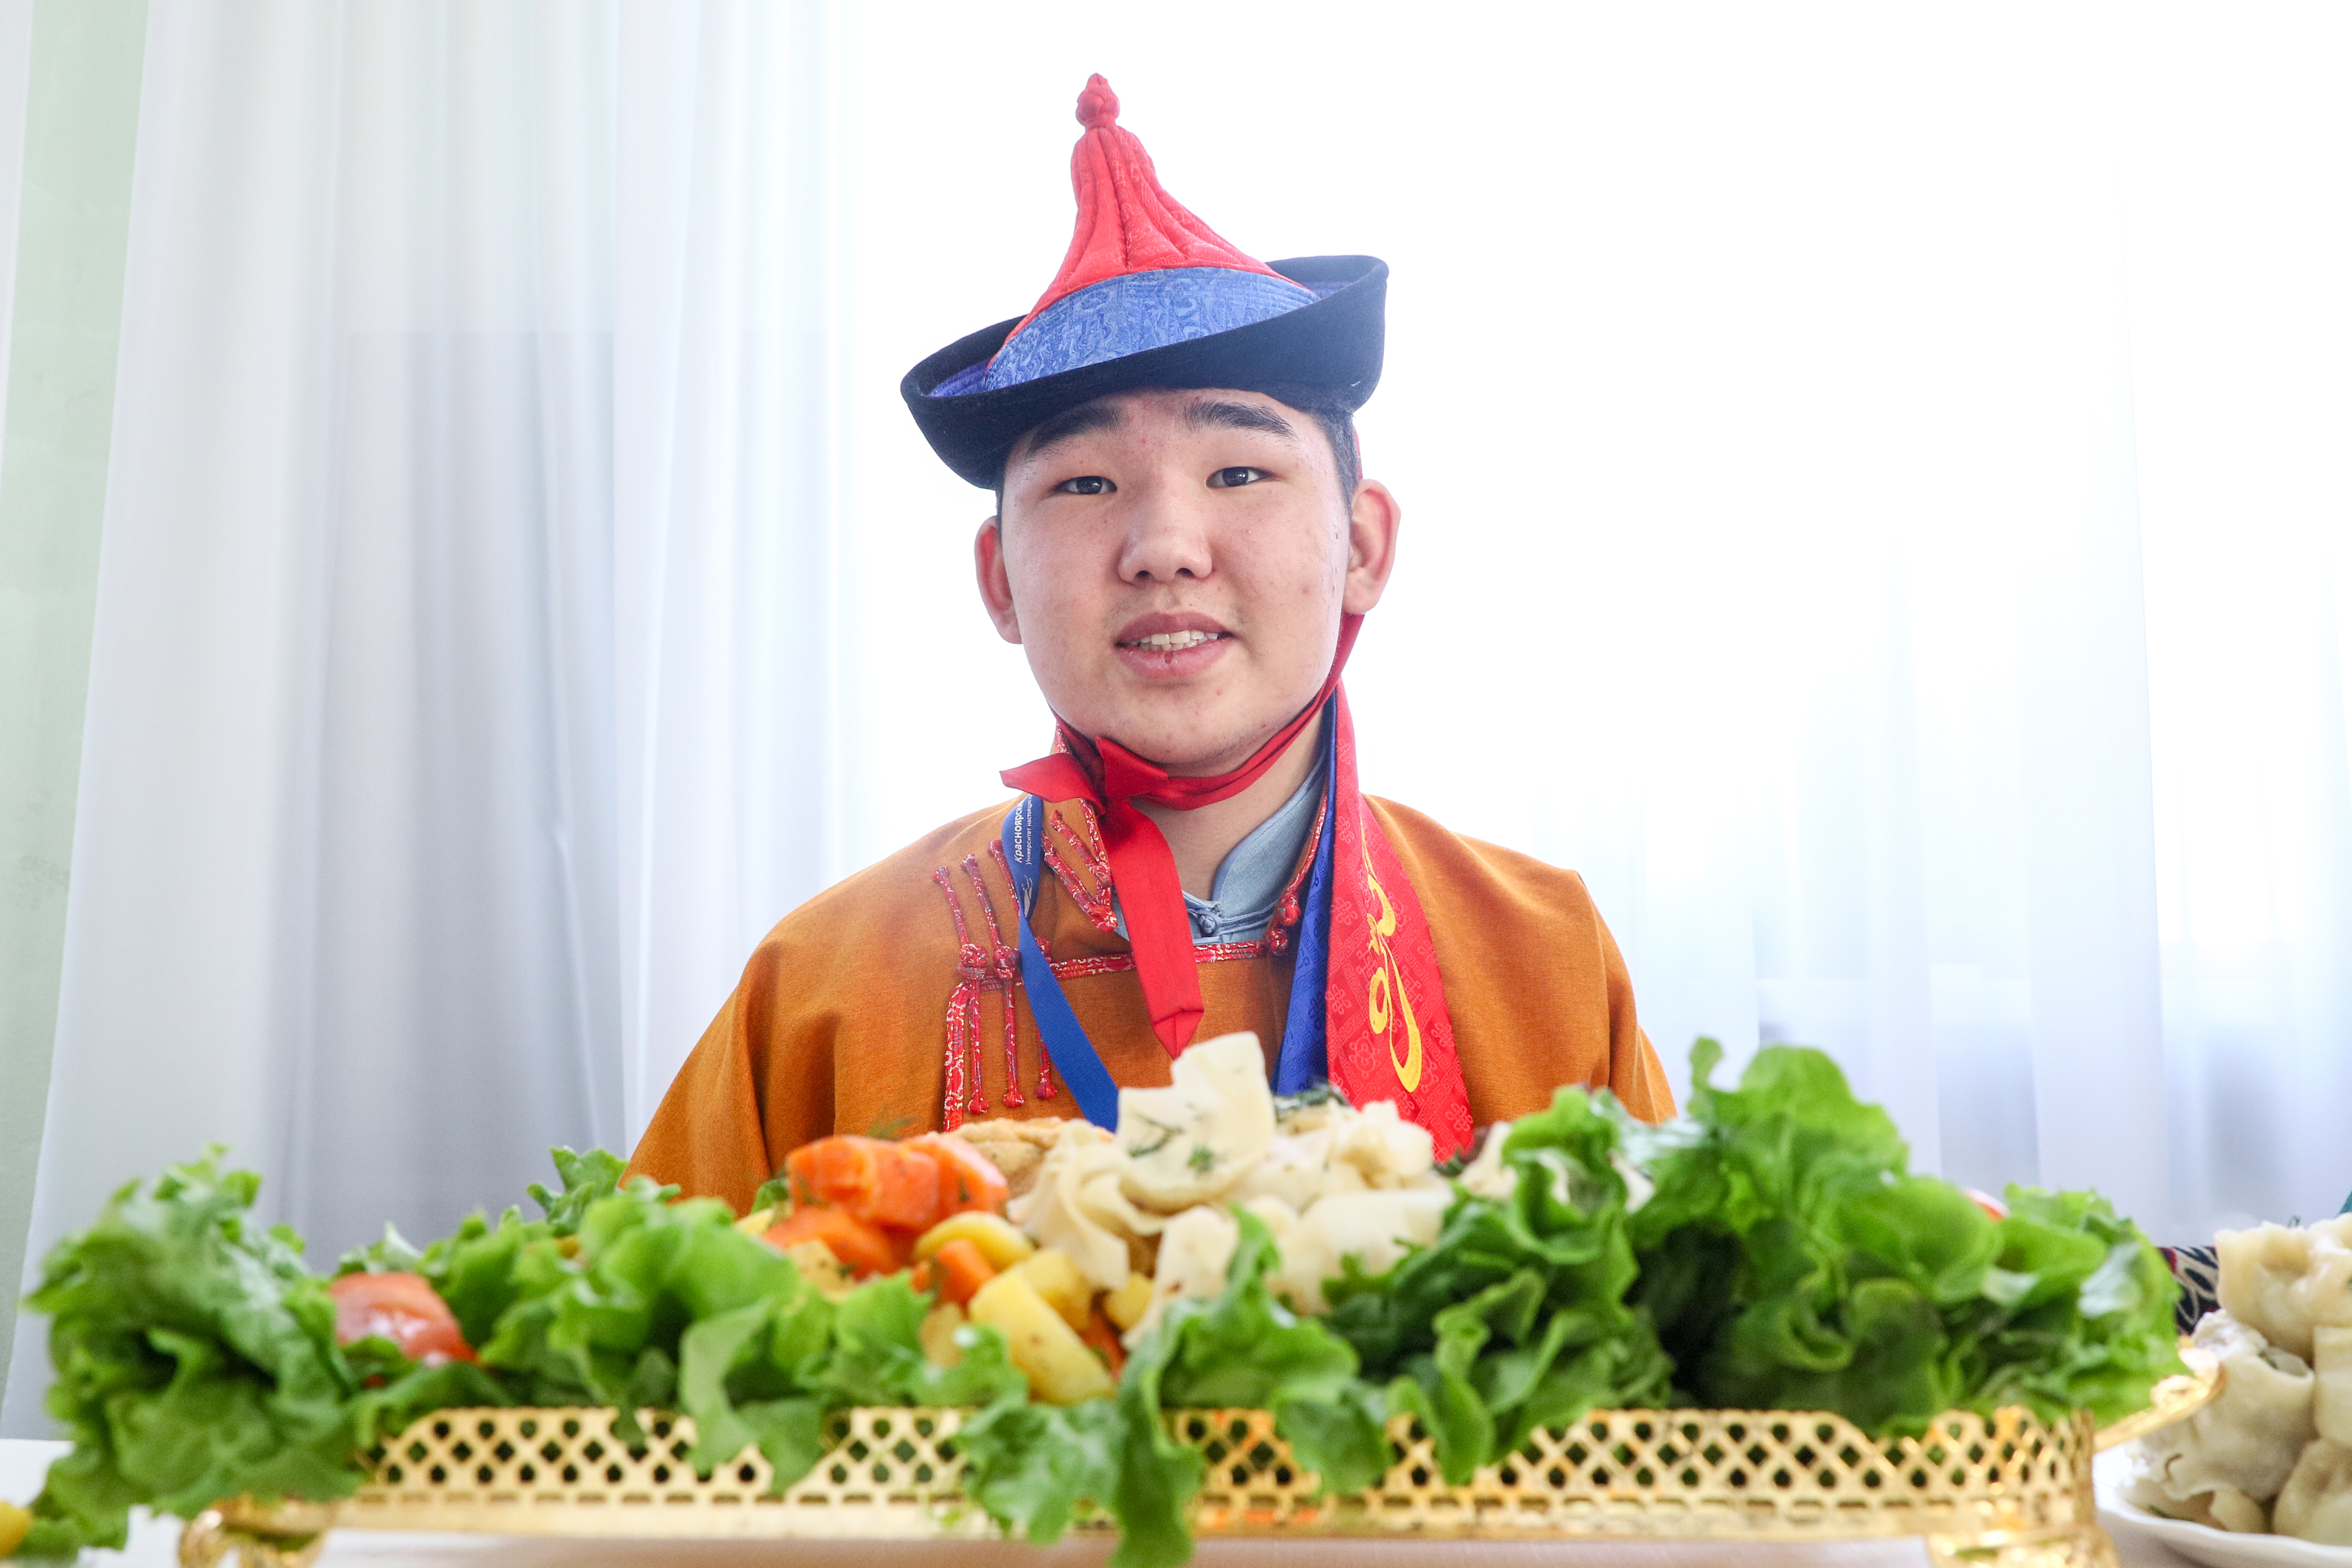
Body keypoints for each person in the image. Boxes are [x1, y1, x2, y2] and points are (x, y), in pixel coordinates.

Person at [627, 76, 1672, 1211]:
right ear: (1000, 581)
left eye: (1240, 471)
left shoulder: (1545, 958)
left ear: (1365, 546)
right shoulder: (821, 992)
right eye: (1085, 484)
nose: (1165, 547)